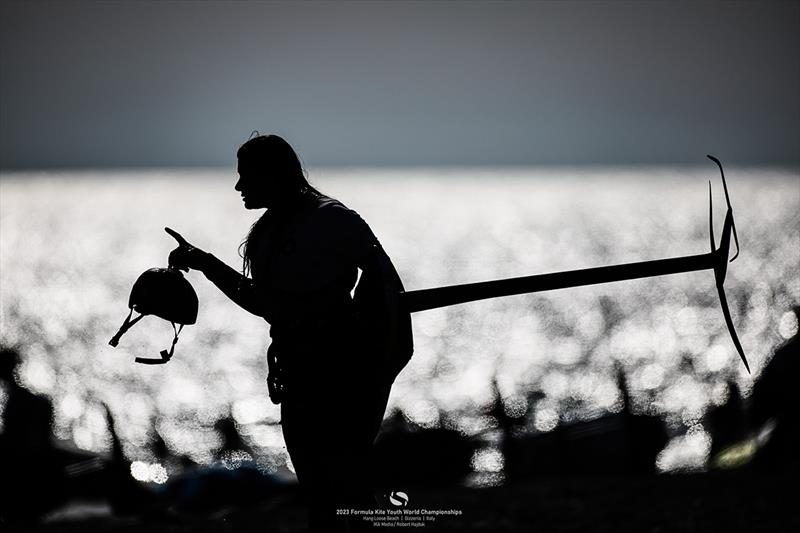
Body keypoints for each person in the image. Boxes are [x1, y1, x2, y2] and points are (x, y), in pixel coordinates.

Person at [167, 134, 411, 531]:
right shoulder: (268, 231)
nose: (238, 186)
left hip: (342, 375)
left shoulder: (334, 220)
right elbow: (267, 304)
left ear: (273, 175)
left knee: (344, 490)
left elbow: (386, 291)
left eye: (246, 176)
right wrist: (203, 262)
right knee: (318, 491)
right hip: (297, 376)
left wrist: (375, 371)